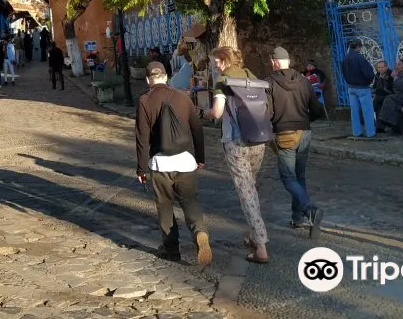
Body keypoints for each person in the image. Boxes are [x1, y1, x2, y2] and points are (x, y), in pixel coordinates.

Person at [135, 62, 211, 266]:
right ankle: (200, 232)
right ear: (166, 77)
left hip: (160, 164)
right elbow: (197, 129)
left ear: (148, 80)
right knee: (190, 201)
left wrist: (141, 168)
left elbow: (142, 138)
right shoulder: (183, 97)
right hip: (185, 161)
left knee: (165, 206)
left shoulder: (144, 101)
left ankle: (171, 250)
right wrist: (200, 157)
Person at [202, 46, 269, 265]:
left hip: (236, 140)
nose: (214, 64)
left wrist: (204, 112)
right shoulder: (251, 76)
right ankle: (253, 234)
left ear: (222, 61)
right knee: (251, 186)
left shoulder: (223, 81)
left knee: (246, 191)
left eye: (215, 61)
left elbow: (218, 113)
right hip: (258, 138)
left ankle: (261, 246)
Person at [266, 46, 326, 236]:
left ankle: (309, 210)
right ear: (288, 62)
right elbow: (317, 109)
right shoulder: (304, 80)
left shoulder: (269, 82)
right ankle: (297, 218)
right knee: (299, 177)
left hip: (285, 134)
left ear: (274, 62)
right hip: (305, 132)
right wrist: (305, 121)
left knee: (288, 178)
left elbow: (267, 112)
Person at [340, 40, 376, 138]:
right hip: (362, 87)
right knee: (367, 111)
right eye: (360, 47)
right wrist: (369, 80)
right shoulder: (360, 58)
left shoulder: (345, 58)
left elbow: (343, 73)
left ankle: (356, 132)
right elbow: (368, 73)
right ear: (358, 47)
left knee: (354, 111)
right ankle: (370, 132)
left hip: (351, 88)